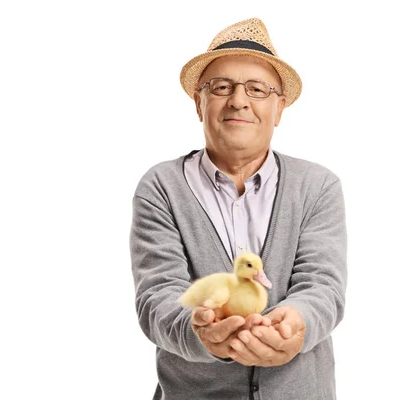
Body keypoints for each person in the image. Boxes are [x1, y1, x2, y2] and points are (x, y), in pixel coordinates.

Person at [130, 17, 347, 400]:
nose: (239, 100)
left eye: (257, 89)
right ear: (199, 103)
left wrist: (297, 324)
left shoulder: (317, 186)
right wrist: (200, 332)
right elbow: (157, 296)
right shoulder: (161, 187)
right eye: (221, 86)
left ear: (279, 108)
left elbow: (322, 285)